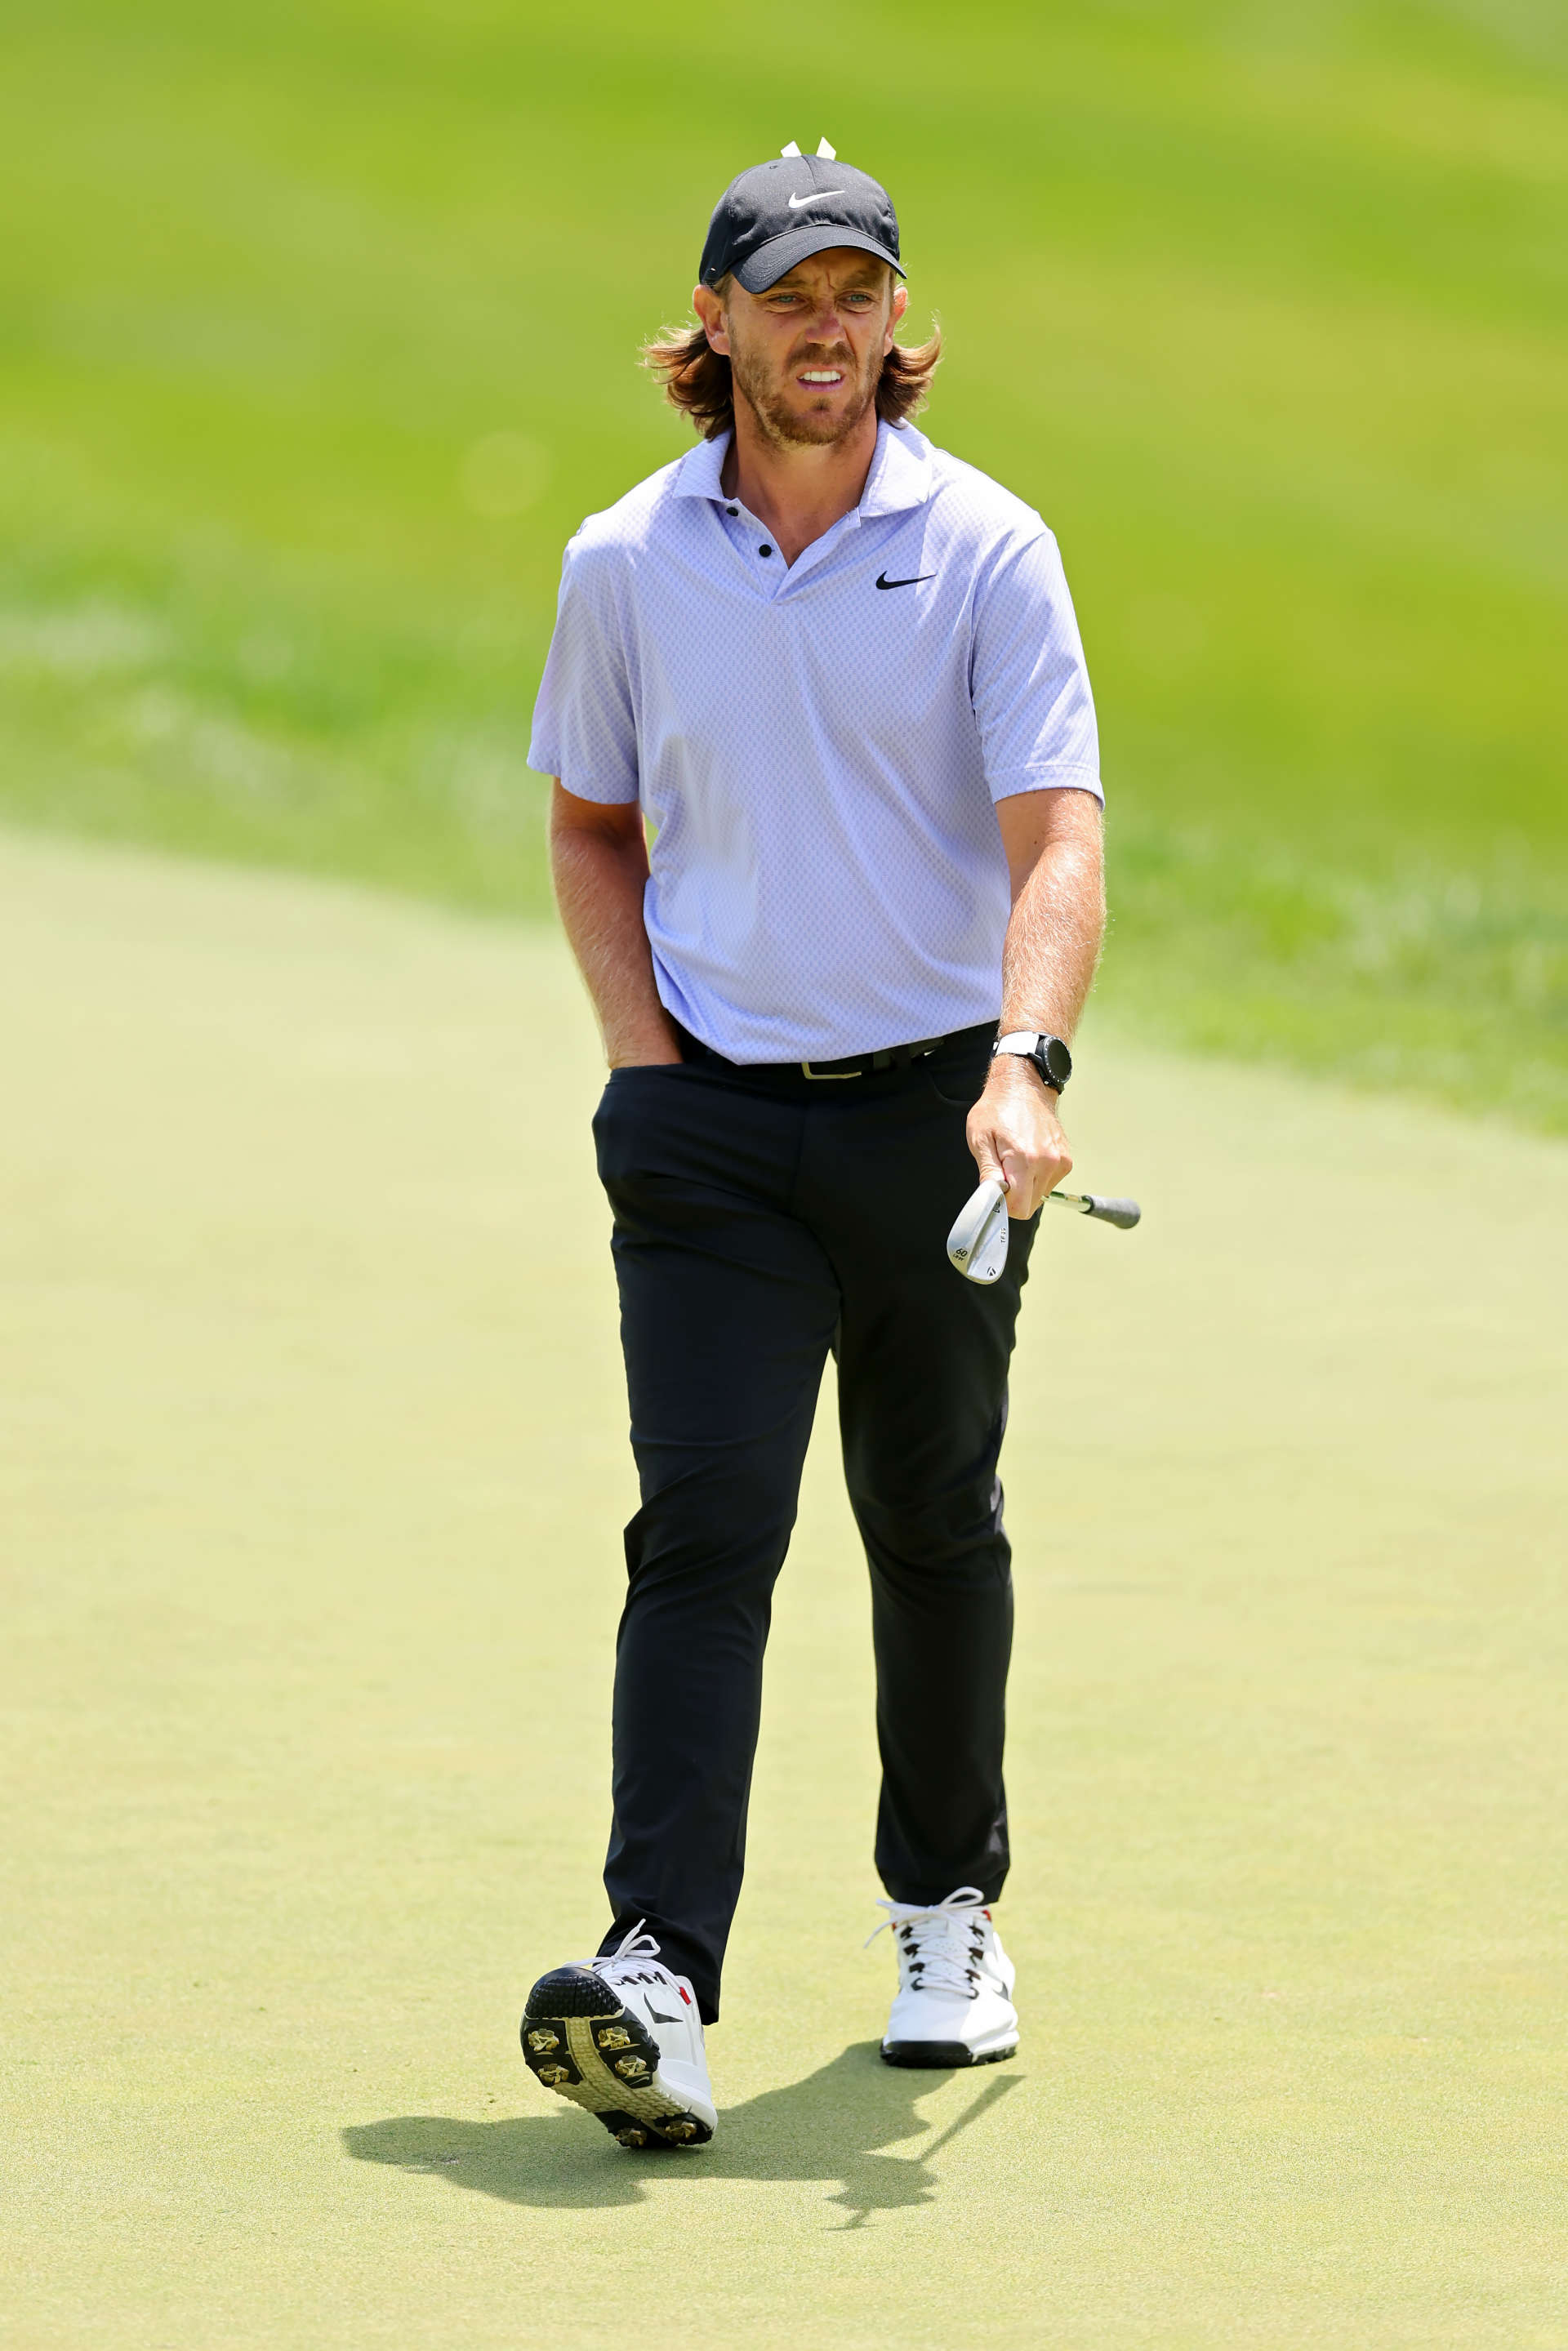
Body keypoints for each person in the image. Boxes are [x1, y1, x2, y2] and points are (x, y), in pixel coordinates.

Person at [519, 140, 1105, 2152]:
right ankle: (658, 1976)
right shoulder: (626, 560)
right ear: (720, 331)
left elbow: (1059, 836)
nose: (831, 327)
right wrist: (642, 1063)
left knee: (931, 1522)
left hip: (940, 1117)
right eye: (791, 298)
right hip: (710, 1133)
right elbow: (595, 826)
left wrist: (1028, 1066)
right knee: (706, 1534)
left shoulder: (990, 548)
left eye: (860, 293)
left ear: (891, 322)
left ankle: (948, 1913)